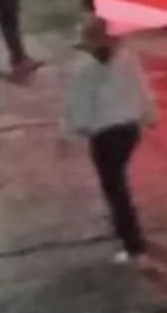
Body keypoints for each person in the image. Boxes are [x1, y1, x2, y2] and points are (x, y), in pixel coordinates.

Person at [64, 16, 159, 263]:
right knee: (118, 183)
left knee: (115, 189)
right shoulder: (128, 58)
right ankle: (123, 226)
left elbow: (78, 104)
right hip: (129, 131)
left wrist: (79, 127)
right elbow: (142, 88)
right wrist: (150, 115)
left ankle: (133, 245)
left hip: (104, 136)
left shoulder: (83, 68)